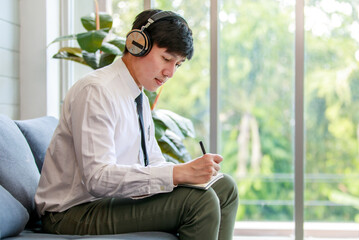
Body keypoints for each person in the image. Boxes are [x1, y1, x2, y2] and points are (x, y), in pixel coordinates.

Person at [35, 9, 238, 240]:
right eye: (166, 58)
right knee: (198, 202)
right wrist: (177, 173)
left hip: (111, 203)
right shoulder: (97, 91)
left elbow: (153, 162)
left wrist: (188, 173)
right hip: (72, 213)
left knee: (224, 187)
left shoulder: (138, 96)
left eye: (178, 64)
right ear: (137, 44)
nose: (170, 72)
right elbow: (97, 179)